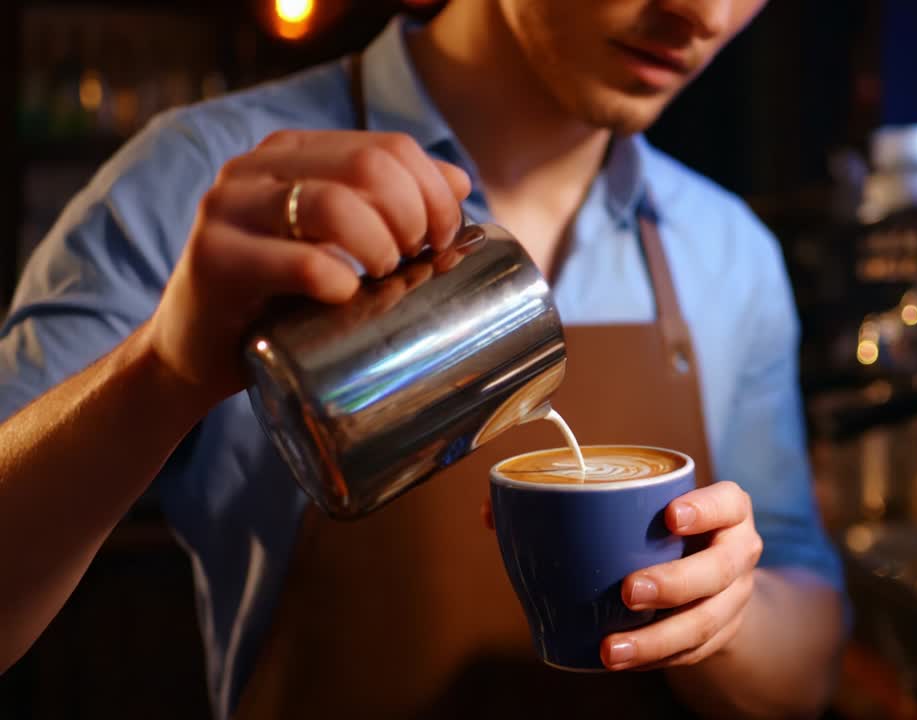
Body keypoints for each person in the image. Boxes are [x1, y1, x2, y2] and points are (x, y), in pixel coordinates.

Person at [0, 1, 849, 718]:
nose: (703, 14)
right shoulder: (191, 184)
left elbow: (809, 659)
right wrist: (162, 371)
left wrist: (722, 620)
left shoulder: (729, 250)